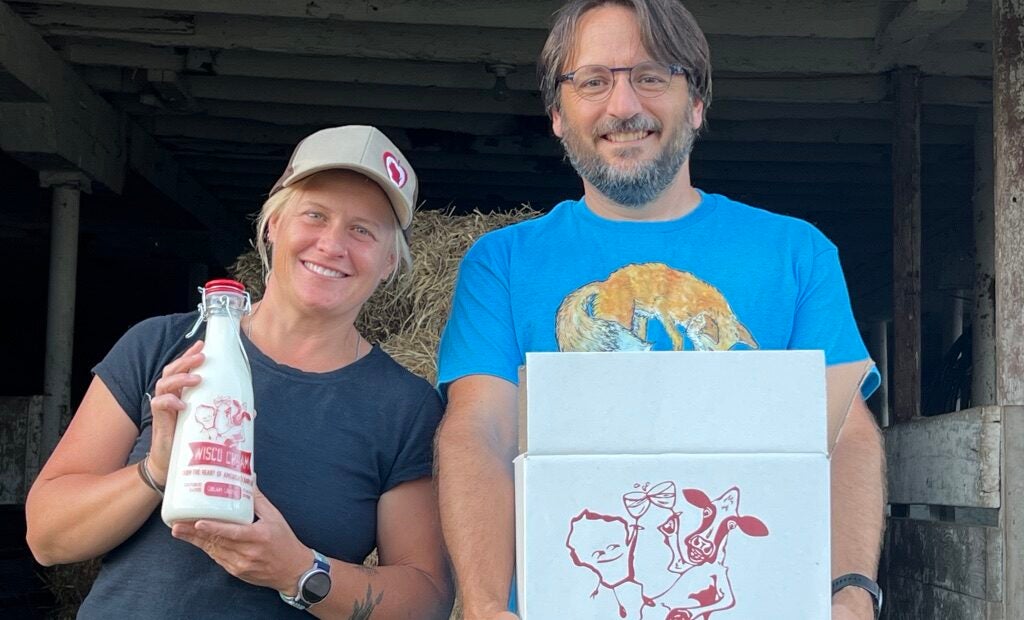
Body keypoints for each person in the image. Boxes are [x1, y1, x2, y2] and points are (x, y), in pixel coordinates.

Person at [435, 2, 885, 619]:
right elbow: (479, 433)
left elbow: (843, 434)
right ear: (558, 117)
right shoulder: (503, 264)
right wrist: (484, 604)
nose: (623, 106)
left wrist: (851, 592)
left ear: (696, 104)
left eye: (651, 76)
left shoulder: (795, 253)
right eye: (593, 81)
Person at [26, 126, 454, 619]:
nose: (332, 244)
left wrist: (298, 571)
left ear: (388, 264)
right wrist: (157, 470)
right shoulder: (163, 347)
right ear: (273, 227)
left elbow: (425, 599)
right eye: (315, 215)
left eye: (364, 230)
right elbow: (47, 538)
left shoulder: (404, 407)